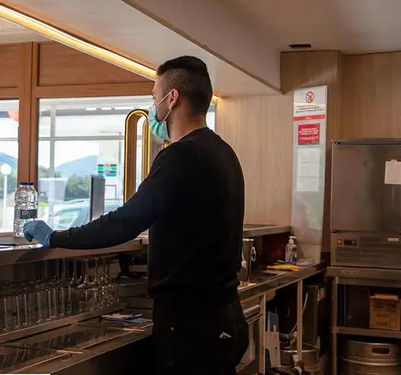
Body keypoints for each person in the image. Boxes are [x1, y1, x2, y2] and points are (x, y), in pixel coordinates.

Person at [24, 56, 248, 374]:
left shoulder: (180, 156)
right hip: (225, 316)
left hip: (191, 326)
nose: (153, 105)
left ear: (172, 99)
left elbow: (126, 222)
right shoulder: (223, 152)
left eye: (154, 96)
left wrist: (56, 237)